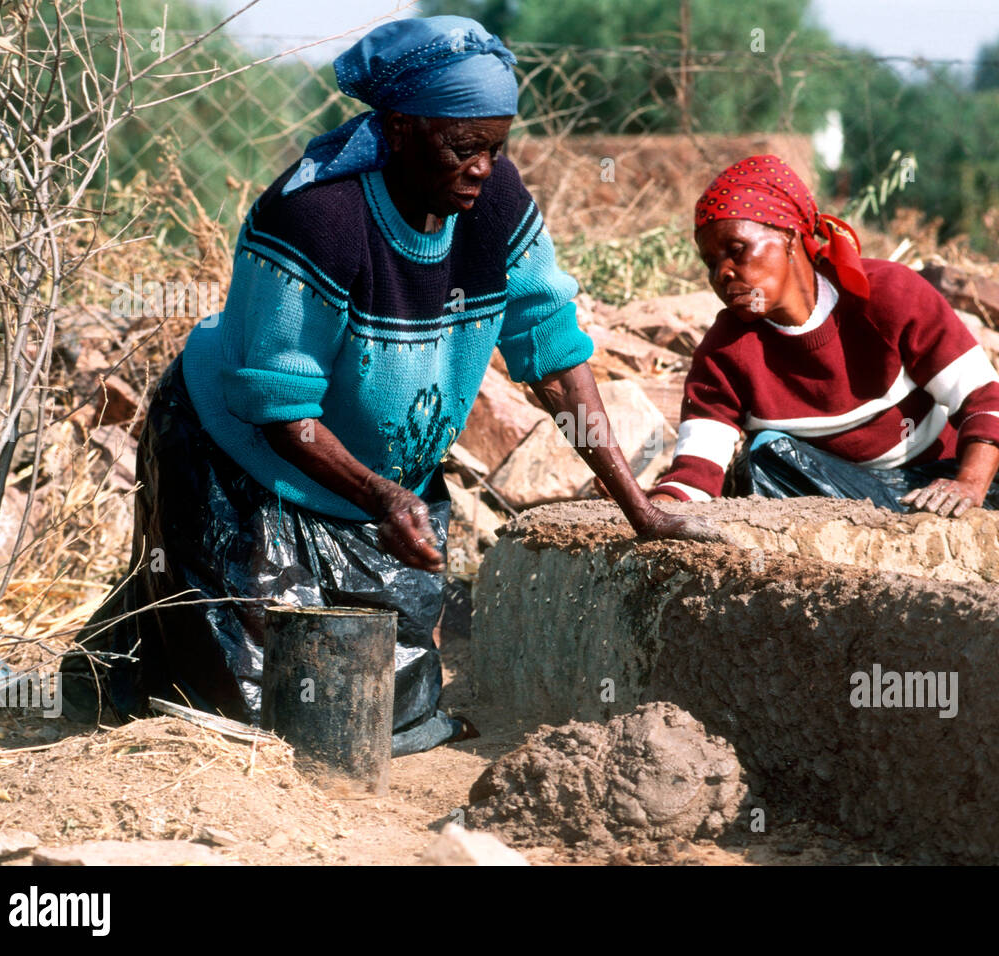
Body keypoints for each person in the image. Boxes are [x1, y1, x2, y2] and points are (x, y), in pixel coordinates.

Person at [63, 16, 719, 754]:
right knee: (252, 715)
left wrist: (638, 508)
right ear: (401, 129)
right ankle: (111, 684)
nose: (483, 168)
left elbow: (557, 357)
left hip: (371, 473)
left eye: (497, 148)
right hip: (242, 462)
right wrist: (383, 496)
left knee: (389, 716)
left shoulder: (494, 204)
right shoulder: (315, 217)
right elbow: (282, 409)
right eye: (463, 147)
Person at [648, 155, 999, 518]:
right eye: (710, 262)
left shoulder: (888, 296)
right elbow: (697, 473)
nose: (722, 274)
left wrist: (969, 482)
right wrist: (648, 507)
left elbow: (984, 402)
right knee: (764, 456)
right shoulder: (725, 351)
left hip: (941, 486)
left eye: (736, 251)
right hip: (839, 500)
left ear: (789, 236)